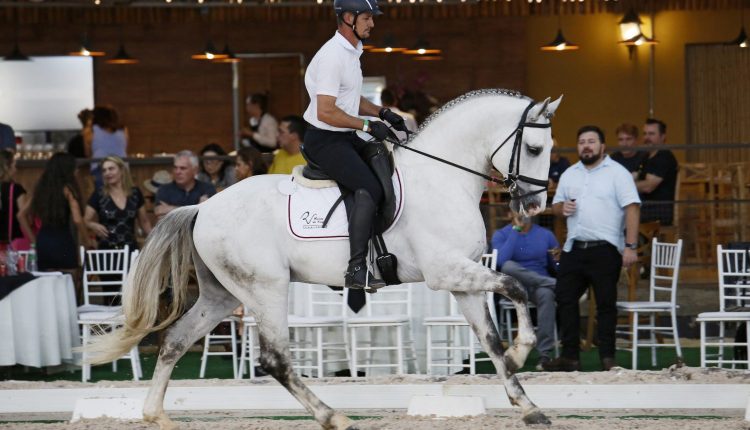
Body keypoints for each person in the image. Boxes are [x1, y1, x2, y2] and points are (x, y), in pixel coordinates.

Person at [302, 0, 408, 290]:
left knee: (382, 157)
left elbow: (349, 98)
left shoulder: (352, 53)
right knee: (370, 187)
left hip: (344, 137)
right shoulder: (333, 56)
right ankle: (356, 268)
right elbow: (326, 110)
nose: (372, 23)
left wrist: (382, 113)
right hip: (324, 141)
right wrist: (365, 125)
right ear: (348, 18)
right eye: (367, 18)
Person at [543, 125, 640, 372]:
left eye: (591, 141)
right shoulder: (569, 174)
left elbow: (632, 208)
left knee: (606, 304)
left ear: (602, 146)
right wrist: (561, 208)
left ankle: (608, 358)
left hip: (605, 248)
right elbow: (554, 206)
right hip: (574, 248)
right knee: (565, 298)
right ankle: (570, 357)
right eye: (582, 142)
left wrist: (630, 246)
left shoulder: (618, 173)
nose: (586, 145)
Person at [491, 213, 559, 370]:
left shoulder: (546, 234)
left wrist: (560, 259)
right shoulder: (501, 234)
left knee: (547, 295)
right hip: (514, 287)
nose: (522, 213)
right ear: (510, 213)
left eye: (526, 209)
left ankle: (544, 355)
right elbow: (501, 262)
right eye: (517, 209)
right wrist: (516, 230)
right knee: (508, 266)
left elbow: (557, 266)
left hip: (539, 287)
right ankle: (554, 284)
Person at [19, 152, 91, 271]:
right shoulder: (68, 190)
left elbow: (21, 215)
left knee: (48, 283)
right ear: (67, 170)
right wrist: (87, 240)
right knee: (67, 281)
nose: (77, 170)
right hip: (63, 241)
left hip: (43, 242)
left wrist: (34, 241)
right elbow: (77, 219)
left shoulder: (41, 189)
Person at [84, 156, 152, 251]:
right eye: (104, 170)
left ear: (122, 170)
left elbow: (144, 222)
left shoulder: (135, 193)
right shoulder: (99, 194)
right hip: (106, 251)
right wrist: (93, 225)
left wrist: (154, 242)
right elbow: (86, 220)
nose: (107, 173)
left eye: (111, 169)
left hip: (130, 249)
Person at [636, 118, 678, 226]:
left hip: (659, 211)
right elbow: (635, 176)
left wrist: (625, 185)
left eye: (651, 134)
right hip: (645, 208)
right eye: (645, 134)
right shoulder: (645, 156)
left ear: (663, 137)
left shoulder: (664, 156)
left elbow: (648, 187)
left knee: (621, 216)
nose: (647, 137)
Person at [154, 150, 216, 219]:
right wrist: (196, 210)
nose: (178, 172)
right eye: (175, 167)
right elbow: (160, 212)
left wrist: (171, 209)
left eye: (183, 168)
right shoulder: (164, 189)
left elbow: (208, 215)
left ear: (195, 170)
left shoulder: (207, 188)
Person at [84, 106, 128, 188]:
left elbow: (88, 153)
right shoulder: (123, 129)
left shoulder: (90, 131)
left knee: (103, 196)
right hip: (121, 166)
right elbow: (124, 147)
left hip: (100, 167)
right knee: (122, 196)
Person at [0, 151, 34, 249]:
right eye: (14, 165)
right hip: (13, 242)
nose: (16, 169)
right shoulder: (16, 189)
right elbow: (25, 219)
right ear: (7, 168)